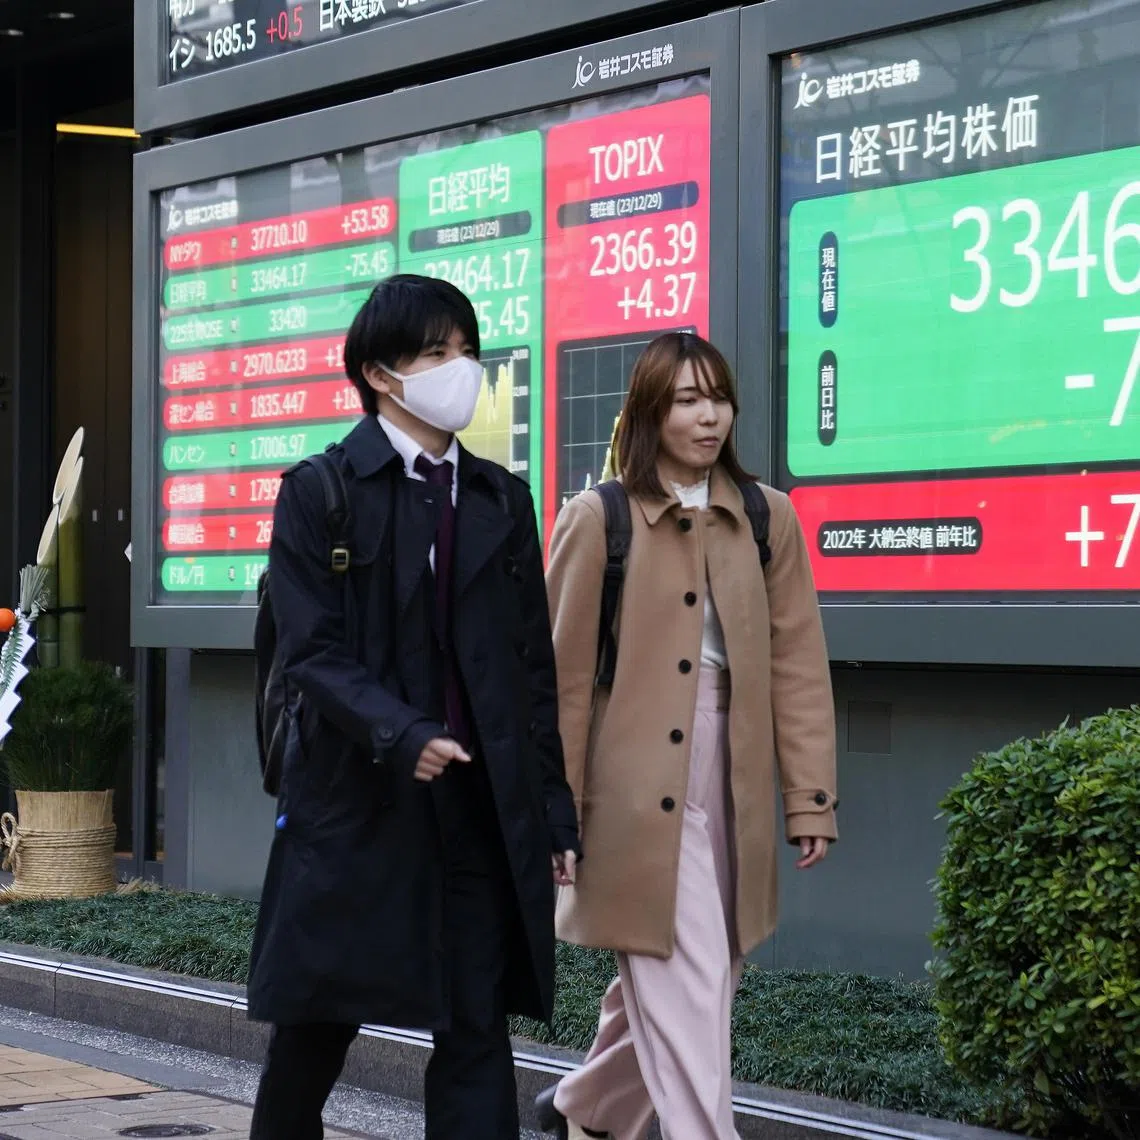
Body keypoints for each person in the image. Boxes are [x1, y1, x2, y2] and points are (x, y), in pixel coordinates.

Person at [246, 274, 581, 1140]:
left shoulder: (501, 499)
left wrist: (551, 813)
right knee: (317, 1027)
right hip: (354, 808)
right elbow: (310, 652)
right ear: (382, 375)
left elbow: (528, 672)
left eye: (466, 350)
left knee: (475, 1027)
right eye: (436, 353)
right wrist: (403, 733)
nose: (459, 369)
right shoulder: (320, 491)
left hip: (471, 810)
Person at [536, 332, 838, 1140]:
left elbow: (798, 665)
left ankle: (586, 1112)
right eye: (686, 400)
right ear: (649, 411)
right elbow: (560, 681)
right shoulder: (597, 517)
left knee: (711, 968)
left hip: (732, 770)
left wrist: (808, 798)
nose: (709, 417)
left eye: (718, 397)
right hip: (628, 785)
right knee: (689, 976)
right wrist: (553, 805)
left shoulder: (766, 516)